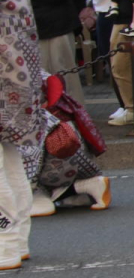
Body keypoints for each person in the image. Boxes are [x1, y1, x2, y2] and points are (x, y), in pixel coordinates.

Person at [0, 0, 43, 271]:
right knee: (9, 156)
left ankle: (6, 243)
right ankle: (15, 239)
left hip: (4, 67)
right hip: (16, 66)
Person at [27, 72, 111, 217]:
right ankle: (87, 185)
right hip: (76, 155)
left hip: (50, 162)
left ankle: (36, 198)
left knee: (15, 162)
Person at [21, 0, 84, 104]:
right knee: (40, 71)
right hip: (34, 26)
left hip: (61, 24)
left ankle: (73, 108)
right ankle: (45, 109)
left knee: (64, 68)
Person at [90, 0, 126, 121]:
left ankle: (128, 103)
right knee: (109, 60)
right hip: (102, 16)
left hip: (117, 15)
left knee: (122, 61)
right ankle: (122, 103)